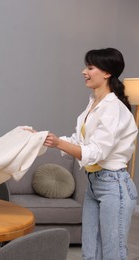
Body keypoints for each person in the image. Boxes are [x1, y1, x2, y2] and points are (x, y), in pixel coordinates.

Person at [43, 48, 138, 259]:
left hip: (114, 186)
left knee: (113, 254)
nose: (83, 72)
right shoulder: (93, 104)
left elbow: (96, 153)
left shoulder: (113, 108)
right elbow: (80, 143)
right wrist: (48, 139)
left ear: (106, 73)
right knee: (90, 253)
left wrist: (58, 143)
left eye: (90, 67)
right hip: (94, 185)